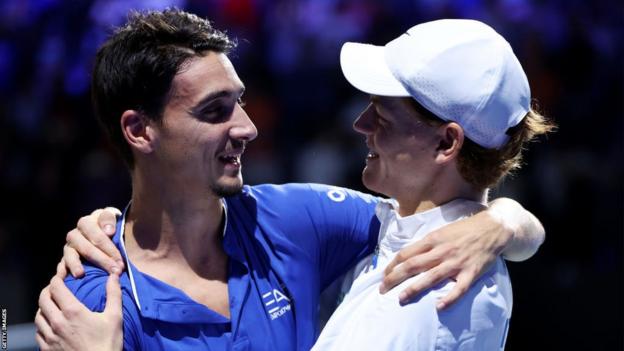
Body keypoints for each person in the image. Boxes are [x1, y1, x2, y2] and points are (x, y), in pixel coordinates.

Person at [34, 10, 545, 351]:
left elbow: (449, 213)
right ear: (139, 130)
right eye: (216, 110)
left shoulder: (299, 220)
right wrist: (499, 223)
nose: (248, 127)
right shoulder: (92, 298)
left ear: (448, 142)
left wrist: (499, 223)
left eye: (240, 100)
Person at [312, 19, 555, 350]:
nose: (360, 124)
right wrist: (507, 219)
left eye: (382, 116)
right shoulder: (407, 235)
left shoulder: (422, 294)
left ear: (446, 142)